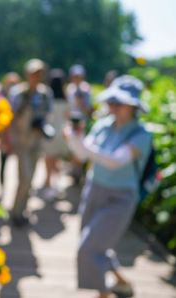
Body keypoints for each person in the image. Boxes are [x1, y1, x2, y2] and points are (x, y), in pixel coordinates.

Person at [63, 75, 152, 298]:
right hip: (94, 189)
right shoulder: (103, 126)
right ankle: (122, 283)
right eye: (110, 102)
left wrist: (82, 144)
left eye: (118, 103)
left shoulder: (142, 135)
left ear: (132, 106)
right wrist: (74, 138)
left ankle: (103, 293)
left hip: (120, 197)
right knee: (96, 243)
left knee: (89, 246)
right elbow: (83, 154)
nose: (112, 107)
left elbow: (115, 161)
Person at [9, 58, 53, 226]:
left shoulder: (44, 94)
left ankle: (22, 210)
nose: (36, 77)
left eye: (39, 74)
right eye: (34, 74)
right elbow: (12, 116)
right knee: (25, 178)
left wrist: (41, 123)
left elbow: (48, 114)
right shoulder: (19, 93)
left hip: (36, 141)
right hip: (22, 142)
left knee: (30, 178)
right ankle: (16, 212)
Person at [41, 68, 69, 201]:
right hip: (61, 134)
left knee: (48, 160)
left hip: (50, 132)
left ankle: (48, 185)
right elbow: (67, 118)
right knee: (57, 160)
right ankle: (56, 184)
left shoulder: (48, 98)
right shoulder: (65, 100)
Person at [66, 64, 93, 184]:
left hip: (82, 122)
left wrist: (81, 103)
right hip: (71, 123)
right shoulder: (69, 89)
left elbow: (88, 108)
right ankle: (74, 172)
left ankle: (79, 173)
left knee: (81, 148)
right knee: (73, 148)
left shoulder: (86, 89)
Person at [0, 72, 21, 197]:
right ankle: (3, 189)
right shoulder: (2, 102)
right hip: (5, 137)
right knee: (3, 164)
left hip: (18, 137)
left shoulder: (20, 99)